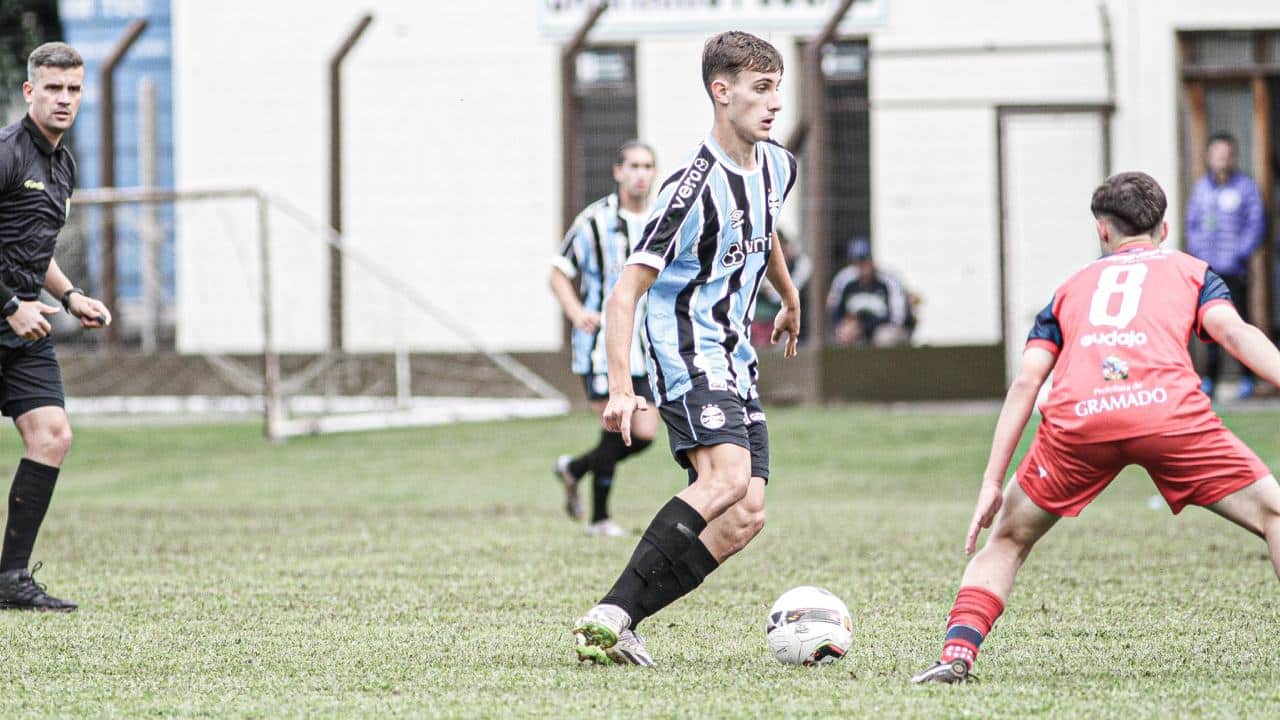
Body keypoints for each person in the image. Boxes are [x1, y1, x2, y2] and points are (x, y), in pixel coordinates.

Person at [913, 172, 1280, 684]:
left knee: (1009, 538)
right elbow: (1234, 334)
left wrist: (992, 483)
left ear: (1102, 232)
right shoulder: (1192, 272)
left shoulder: (1069, 290)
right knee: (1274, 514)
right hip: (1167, 413)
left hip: (1079, 420)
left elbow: (1026, 384)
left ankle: (955, 656)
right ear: (1165, 228)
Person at [571, 30, 802, 667]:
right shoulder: (688, 188)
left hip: (736, 358)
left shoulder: (779, 163)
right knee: (724, 479)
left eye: (778, 88)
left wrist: (787, 296)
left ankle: (622, 620)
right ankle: (612, 612)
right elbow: (625, 294)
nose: (774, 102)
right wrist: (623, 388)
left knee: (746, 515)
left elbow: (766, 228)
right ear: (720, 92)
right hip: (686, 351)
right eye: (761, 89)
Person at [0, 42, 112, 612]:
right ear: (30, 92)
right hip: (8, 314)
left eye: (73, 89)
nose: (64, 99)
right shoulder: (7, 154)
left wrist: (68, 295)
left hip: (26, 326)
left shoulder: (62, 163)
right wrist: (7, 305)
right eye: (53, 88)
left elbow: (30, 246)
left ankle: (11, 579)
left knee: (52, 436)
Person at [550, 140, 659, 537]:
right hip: (600, 349)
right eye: (633, 165)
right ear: (618, 172)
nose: (641, 174)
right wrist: (577, 312)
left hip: (646, 350)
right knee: (615, 427)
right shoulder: (594, 221)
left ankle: (574, 468)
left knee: (644, 434)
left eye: (648, 166)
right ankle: (599, 519)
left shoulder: (660, 221)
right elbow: (558, 271)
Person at [1185, 132, 1265, 400]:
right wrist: (1199, 255)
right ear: (1209, 156)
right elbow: (1192, 225)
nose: (1222, 159)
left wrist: (1240, 253)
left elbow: (1256, 223)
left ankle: (1247, 379)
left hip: (1236, 269)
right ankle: (1210, 379)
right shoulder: (1201, 189)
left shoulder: (1245, 187)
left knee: (1240, 323)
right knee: (1208, 326)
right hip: (1208, 271)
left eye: (1226, 154)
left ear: (1233, 157)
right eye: (1217, 153)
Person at [827, 237, 915, 347]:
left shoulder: (888, 282)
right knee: (841, 337)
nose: (862, 266)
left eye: (864, 261)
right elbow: (834, 311)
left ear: (872, 261)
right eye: (857, 262)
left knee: (884, 337)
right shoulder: (844, 280)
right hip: (855, 333)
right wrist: (843, 327)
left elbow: (898, 319)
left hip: (885, 330)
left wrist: (863, 326)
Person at [750, 227, 810, 346]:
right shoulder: (759, 260)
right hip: (758, 316)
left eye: (783, 249)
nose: (781, 254)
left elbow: (777, 296)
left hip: (787, 316)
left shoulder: (799, 264)